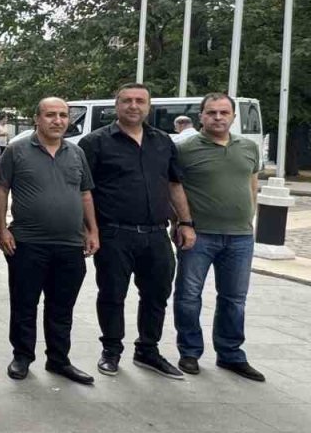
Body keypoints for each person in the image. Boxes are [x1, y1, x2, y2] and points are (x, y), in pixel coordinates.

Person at [79, 83, 195, 380]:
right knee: (112, 294)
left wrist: (185, 222)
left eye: (140, 101)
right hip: (115, 233)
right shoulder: (96, 143)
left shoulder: (163, 142)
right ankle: (111, 350)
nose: (133, 106)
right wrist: (88, 229)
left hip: (156, 234)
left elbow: (174, 185)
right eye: (127, 101)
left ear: (149, 106)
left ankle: (148, 349)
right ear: (116, 106)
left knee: (157, 294)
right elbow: (82, 190)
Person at [0, 97, 99, 385]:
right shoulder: (17, 151)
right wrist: (2, 229)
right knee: (25, 303)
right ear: (36, 118)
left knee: (62, 306)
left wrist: (93, 231)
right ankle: (22, 356)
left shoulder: (76, 153)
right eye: (50, 115)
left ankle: (59, 359)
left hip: (69, 244)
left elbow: (85, 194)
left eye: (63, 115)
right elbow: (1, 190)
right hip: (28, 242)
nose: (58, 120)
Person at [173, 93, 265, 382]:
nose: (217, 117)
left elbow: (252, 183)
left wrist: (250, 218)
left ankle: (231, 354)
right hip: (199, 236)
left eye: (224, 112)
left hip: (239, 237)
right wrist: (181, 223)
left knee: (234, 299)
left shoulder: (249, 147)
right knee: (189, 296)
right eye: (211, 112)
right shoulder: (185, 149)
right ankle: (189, 351)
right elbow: (174, 188)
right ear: (200, 116)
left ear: (233, 117)